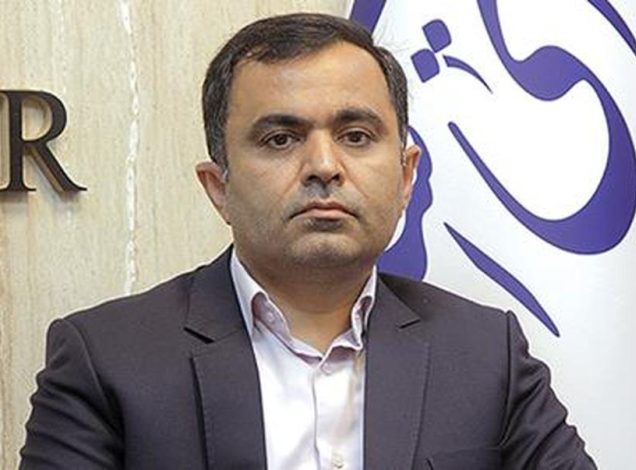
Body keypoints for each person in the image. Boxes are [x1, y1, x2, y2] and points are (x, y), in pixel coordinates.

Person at [20, 13, 595, 469]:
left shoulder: (486, 353)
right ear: (218, 187)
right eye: (280, 139)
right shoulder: (107, 360)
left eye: (356, 135)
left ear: (406, 177)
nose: (324, 165)